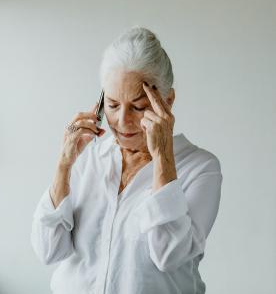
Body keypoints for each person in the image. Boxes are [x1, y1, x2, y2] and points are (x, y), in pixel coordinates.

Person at [30, 26, 223, 294]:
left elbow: (169, 255)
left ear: (167, 101)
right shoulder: (89, 157)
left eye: (138, 106)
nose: (122, 121)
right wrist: (64, 165)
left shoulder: (201, 168)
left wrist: (163, 157)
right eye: (112, 105)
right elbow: (48, 250)